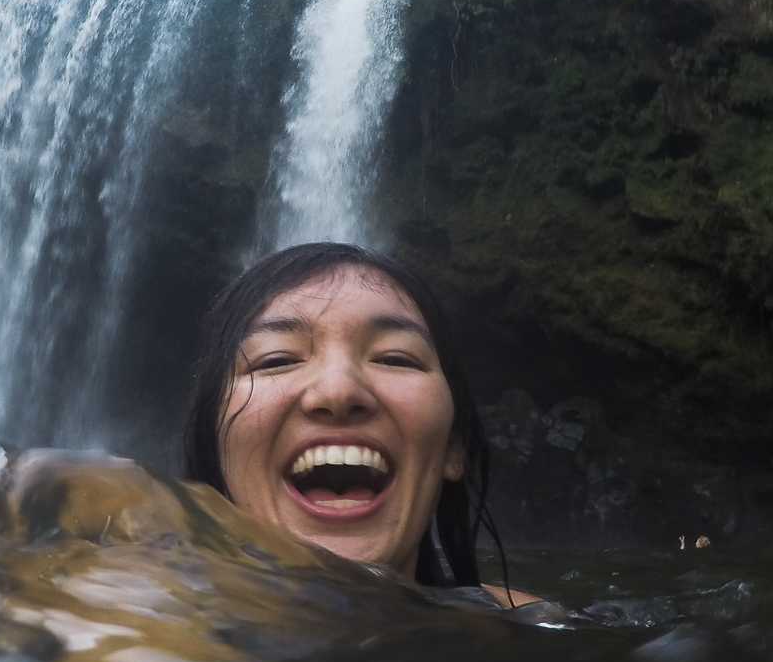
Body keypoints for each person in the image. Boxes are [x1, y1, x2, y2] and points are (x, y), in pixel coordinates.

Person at [180, 241, 534, 607]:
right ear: (214, 440)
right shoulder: (132, 635)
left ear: (452, 447)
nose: (339, 391)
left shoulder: (532, 633)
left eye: (395, 359)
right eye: (277, 359)